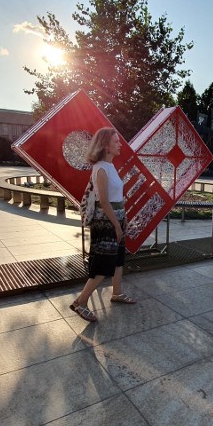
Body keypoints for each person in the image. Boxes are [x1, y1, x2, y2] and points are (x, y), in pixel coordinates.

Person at [69, 127, 137, 323]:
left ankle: (117, 293)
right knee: (103, 265)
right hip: (106, 221)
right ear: (106, 146)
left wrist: (122, 218)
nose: (120, 145)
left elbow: (115, 198)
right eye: (116, 142)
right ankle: (80, 302)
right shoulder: (100, 168)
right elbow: (104, 201)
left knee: (118, 259)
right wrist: (116, 225)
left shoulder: (110, 166)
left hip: (117, 217)